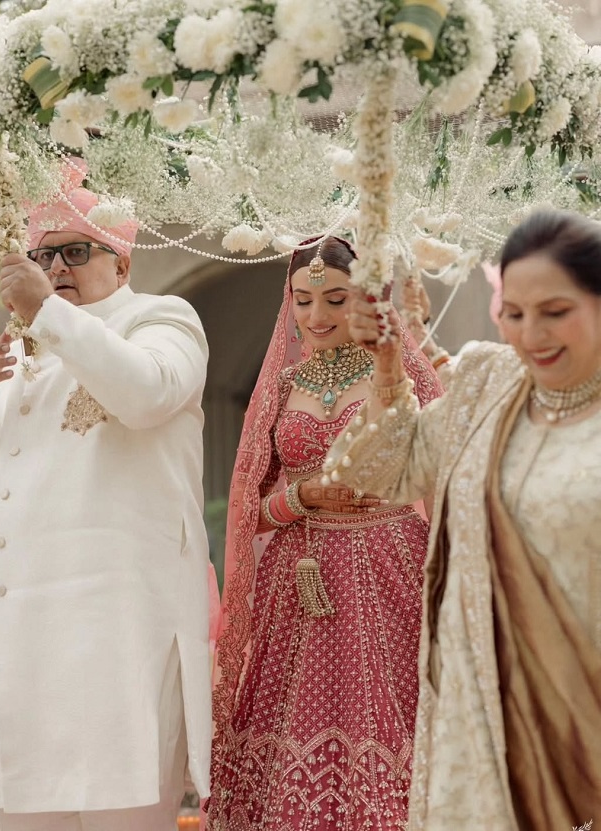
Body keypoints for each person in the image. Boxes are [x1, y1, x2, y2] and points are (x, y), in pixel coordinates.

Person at [327, 209, 601, 829]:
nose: (532, 334)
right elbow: (383, 473)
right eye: (515, 313)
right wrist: (388, 366)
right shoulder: (488, 384)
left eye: (555, 312)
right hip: (477, 712)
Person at [0, 168, 213, 830]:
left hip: (120, 643)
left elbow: (148, 393)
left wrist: (47, 311)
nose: (55, 268)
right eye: (42, 254)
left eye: (75, 251)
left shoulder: (161, 318)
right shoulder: (26, 349)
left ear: (122, 262)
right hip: (27, 650)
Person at [206, 237, 443, 830]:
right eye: (303, 300)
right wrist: (300, 498)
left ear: (366, 298)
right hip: (299, 579)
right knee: (295, 716)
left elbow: (446, 471)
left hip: (390, 569)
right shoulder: (282, 386)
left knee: (389, 712)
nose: (316, 316)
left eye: (336, 299)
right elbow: (248, 510)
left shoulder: (399, 372)